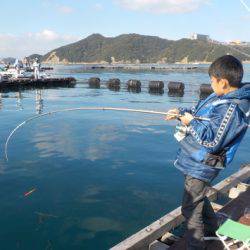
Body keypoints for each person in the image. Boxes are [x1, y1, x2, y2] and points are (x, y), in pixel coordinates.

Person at [165, 55, 250, 249]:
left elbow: (212, 142)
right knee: (197, 198)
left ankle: (196, 245)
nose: (211, 85)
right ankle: (212, 229)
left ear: (223, 82)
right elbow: (197, 110)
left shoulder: (231, 109)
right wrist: (180, 112)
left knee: (189, 207)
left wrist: (190, 122)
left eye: (212, 81)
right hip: (195, 160)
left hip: (203, 163)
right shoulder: (219, 97)